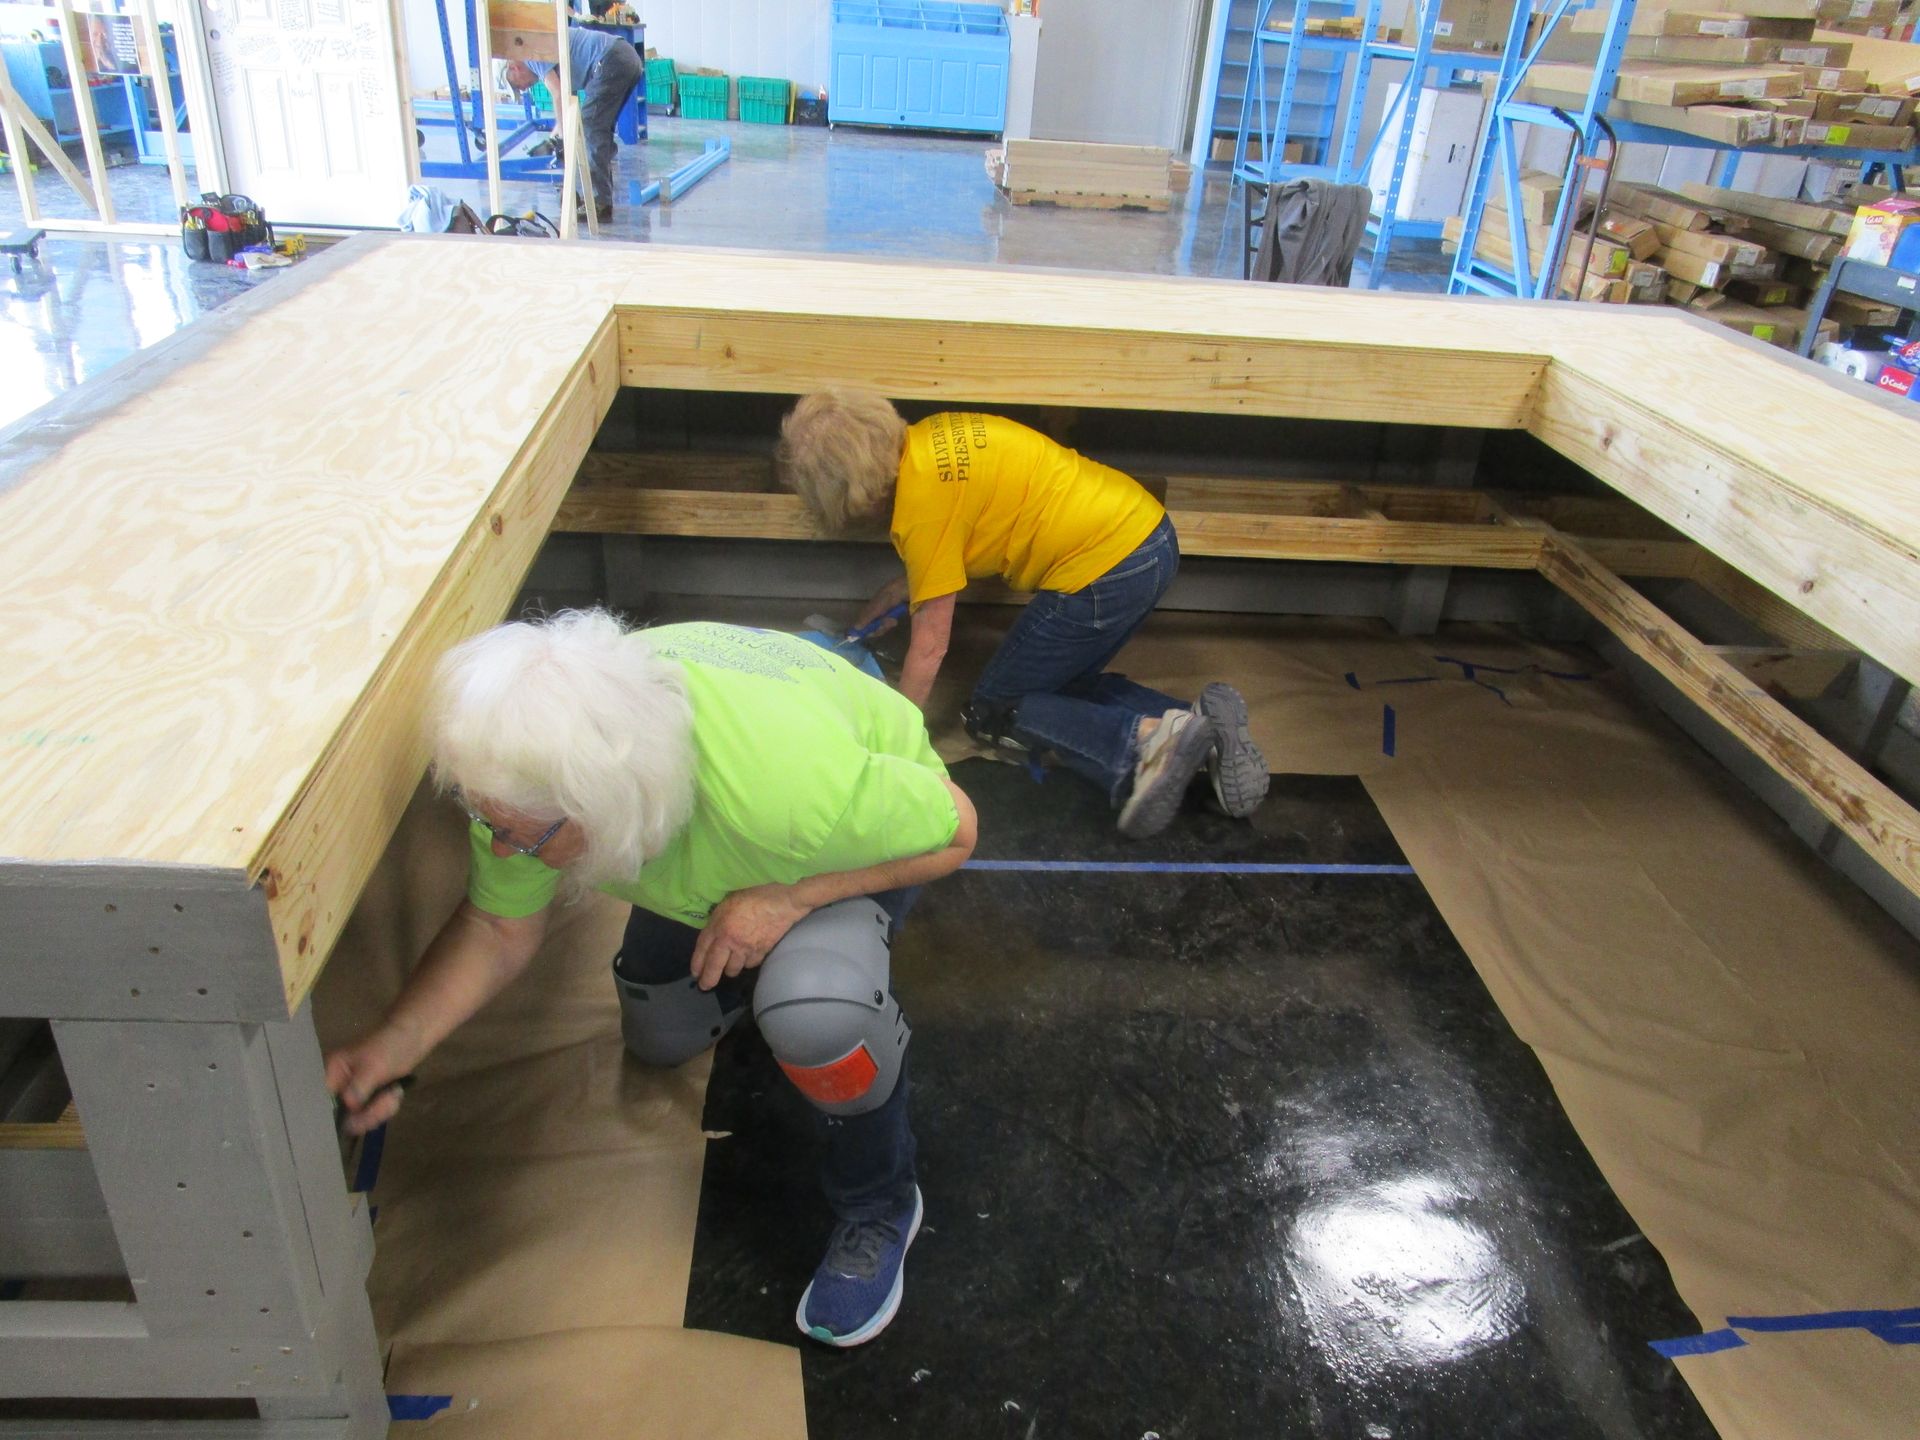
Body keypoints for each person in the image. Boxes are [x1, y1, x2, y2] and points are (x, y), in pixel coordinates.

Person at [325, 610, 976, 1348]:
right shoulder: (530, 757)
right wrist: (393, 1045)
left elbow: (958, 830)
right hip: (733, 781)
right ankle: (816, 665)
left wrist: (785, 901)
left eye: (523, 837)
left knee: (817, 1017)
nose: (505, 848)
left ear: (611, 810)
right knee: (662, 1033)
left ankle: (882, 1202)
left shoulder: (792, 798)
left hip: (827, 820)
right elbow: (496, 927)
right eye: (490, 825)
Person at [778, 391, 1270, 839]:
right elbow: (951, 536)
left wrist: (890, 739)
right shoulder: (932, 439)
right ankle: (1196, 725)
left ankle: (1143, 743)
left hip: (1102, 571)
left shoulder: (919, 513)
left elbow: (929, 649)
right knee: (1056, 690)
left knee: (996, 710)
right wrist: (887, 601)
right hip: (1146, 537)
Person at [504, 24, 642, 224]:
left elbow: (558, 93)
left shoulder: (529, 52)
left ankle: (600, 203)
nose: (524, 87)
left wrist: (563, 132)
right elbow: (568, 97)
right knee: (598, 128)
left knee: (590, 127)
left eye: (518, 85)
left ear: (514, 67)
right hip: (626, 57)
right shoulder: (546, 51)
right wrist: (559, 129)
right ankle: (596, 192)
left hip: (613, 60)